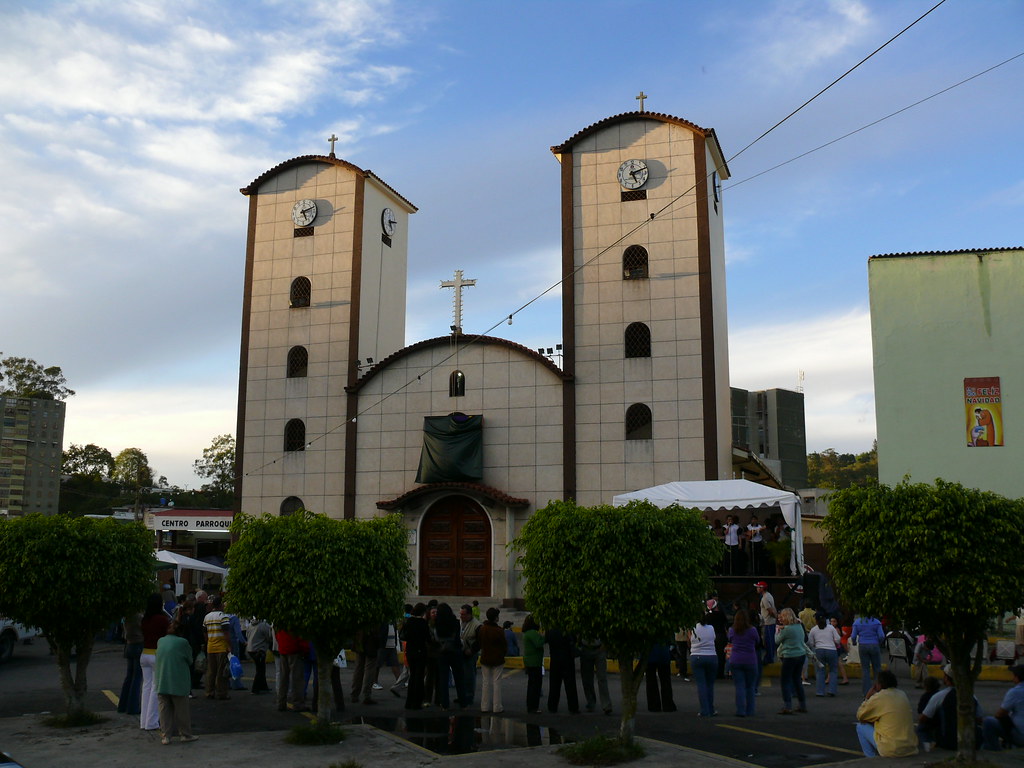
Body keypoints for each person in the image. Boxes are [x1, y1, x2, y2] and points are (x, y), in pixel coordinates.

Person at [919, 664, 983, 750]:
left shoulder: (939, 696)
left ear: (946, 677)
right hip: (970, 741)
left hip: (948, 742)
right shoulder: (971, 695)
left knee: (921, 728)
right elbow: (979, 719)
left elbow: (923, 718)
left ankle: (927, 748)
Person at [155, 618, 198, 745]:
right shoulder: (183, 642)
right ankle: (185, 734)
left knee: (164, 709)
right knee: (181, 710)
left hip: (162, 679)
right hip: (178, 680)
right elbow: (190, 660)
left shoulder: (161, 641)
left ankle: (165, 736)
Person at [856, 669, 918, 757]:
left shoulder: (879, 697)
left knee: (860, 726)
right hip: (910, 746)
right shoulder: (902, 694)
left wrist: (867, 698)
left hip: (890, 748)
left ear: (879, 684)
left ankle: (871, 759)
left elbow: (860, 715)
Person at [140, 593, 170, 731]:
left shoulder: (145, 619)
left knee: (146, 687)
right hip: (157, 654)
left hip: (145, 653)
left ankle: (144, 721)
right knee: (155, 688)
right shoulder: (162, 619)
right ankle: (151, 721)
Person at [982, 663, 1024, 750]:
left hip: (1021, 736)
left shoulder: (1015, 692)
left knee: (988, 722)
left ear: (1018, 677)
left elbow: (1000, 714)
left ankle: (993, 750)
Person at [728, 607, 760, 717]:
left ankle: (740, 710)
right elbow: (757, 641)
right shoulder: (752, 630)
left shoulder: (732, 630)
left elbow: (730, 640)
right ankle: (750, 710)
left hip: (736, 659)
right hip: (750, 660)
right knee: (750, 687)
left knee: (739, 686)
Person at [435, 603, 466, 710]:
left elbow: (436, 638)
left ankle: (444, 704)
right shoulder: (456, 622)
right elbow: (458, 637)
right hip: (455, 651)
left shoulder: (437, 623)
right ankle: (463, 703)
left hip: (443, 652)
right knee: (459, 678)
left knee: (443, 679)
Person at [776, 607, 807, 715]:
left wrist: (777, 631)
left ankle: (787, 706)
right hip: (801, 655)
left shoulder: (787, 629)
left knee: (785, 681)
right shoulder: (799, 626)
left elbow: (777, 640)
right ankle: (802, 704)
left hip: (789, 656)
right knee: (797, 680)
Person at [202, 594, 231, 700]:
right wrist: (229, 645)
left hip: (210, 646)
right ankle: (221, 692)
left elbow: (204, 632)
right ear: (220, 605)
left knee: (210, 671)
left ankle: (209, 691)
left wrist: (207, 642)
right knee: (221, 672)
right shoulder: (223, 616)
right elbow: (226, 633)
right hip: (221, 647)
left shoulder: (207, 616)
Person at [546, 626, 580, 714]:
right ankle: (573, 707)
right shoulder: (568, 630)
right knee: (570, 685)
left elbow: (547, 640)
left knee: (554, 685)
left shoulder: (551, 630)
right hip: (567, 659)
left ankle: (552, 706)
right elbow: (575, 641)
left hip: (555, 659)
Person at [690, 611, 718, 717]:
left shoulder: (693, 628)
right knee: (710, 685)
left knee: (701, 684)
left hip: (696, 656)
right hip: (711, 656)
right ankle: (711, 708)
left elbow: (690, 640)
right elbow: (713, 638)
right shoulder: (711, 628)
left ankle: (704, 710)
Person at [478, 607, 506, 713]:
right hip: (497, 659)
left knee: (485, 682)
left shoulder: (483, 629)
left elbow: (480, 642)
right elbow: (504, 645)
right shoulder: (499, 630)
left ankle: (484, 707)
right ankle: (497, 706)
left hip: (485, 658)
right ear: (496, 618)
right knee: (496, 682)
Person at [402, 603, 429, 710]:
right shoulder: (422, 623)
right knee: (419, 677)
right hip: (420, 651)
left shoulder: (409, 621)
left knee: (413, 676)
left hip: (410, 651)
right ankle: (417, 702)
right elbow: (427, 637)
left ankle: (409, 702)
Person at [117, 608, 144, 715]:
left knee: (129, 676)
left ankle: (123, 705)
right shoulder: (138, 616)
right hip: (138, 643)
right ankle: (133, 707)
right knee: (137, 677)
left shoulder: (126, 616)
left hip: (129, 644)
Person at [850, 614, 885, 697]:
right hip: (874, 644)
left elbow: (853, 636)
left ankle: (866, 692)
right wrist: (879, 643)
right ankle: (878, 690)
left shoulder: (857, 622)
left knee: (865, 669)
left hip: (862, 645)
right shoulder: (876, 622)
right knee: (877, 668)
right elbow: (881, 636)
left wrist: (854, 642)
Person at [275, 627, 307, 712]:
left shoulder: (280, 622)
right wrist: (305, 649)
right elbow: (301, 636)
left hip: (283, 648)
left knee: (283, 678)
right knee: (297, 679)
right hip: (295, 650)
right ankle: (298, 704)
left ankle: (281, 703)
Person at [808, 615, 840, 698]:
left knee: (820, 671)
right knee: (833, 670)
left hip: (819, 650)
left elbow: (810, 642)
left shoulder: (814, 629)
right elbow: (837, 639)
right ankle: (832, 690)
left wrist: (815, 645)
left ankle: (820, 691)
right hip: (831, 650)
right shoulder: (831, 628)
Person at [579, 637, 612, 715]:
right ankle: (591, 702)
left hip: (599, 648)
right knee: (587, 679)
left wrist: (604, 644)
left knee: (602, 678)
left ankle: (606, 705)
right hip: (586, 648)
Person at [459, 604, 482, 706]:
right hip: (460, 652)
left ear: (469, 614)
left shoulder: (477, 625)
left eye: (463, 614)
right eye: (460, 614)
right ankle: (462, 695)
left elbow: (479, 641)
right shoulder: (460, 622)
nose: (461, 616)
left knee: (469, 676)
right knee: (461, 676)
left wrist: (472, 650)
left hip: (470, 653)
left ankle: (469, 696)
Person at [522, 615, 545, 714]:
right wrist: (544, 636)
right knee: (535, 686)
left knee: (532, 684)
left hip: (530, 661)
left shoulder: (527, 633)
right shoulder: (532, 633)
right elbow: (539, 643)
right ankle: (533, 707)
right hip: (534, 662)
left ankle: (530, 706)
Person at [646, 641, 677, 712]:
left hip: (649, 652)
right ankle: (668, 704)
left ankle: (654, 705)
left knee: (651, 680)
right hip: (663, 652)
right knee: (665, 680)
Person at [245, 617, 273, 694]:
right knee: (260, 670)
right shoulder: (264, 625)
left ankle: (264, 686)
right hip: (259, 649)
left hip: (251, 648)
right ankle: (255, 689)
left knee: (261, 668)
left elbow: (247, 635)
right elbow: (269, 637)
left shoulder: (250, 624)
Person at [755, 581, 777, 664]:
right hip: (771, 621)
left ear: (761, 588)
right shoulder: (769, 595)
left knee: (768, 642)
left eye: (758, 587)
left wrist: (775, 616)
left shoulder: (764, 598)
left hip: (768, 622)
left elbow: (770, 610)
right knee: (770, 641)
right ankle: (769, 657)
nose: (757, 589)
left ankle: (769, 659)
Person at [829, 617, 851, 686]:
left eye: (834, 621)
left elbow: (837, 640)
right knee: (835, 664)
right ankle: (843, 678)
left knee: (837, 664)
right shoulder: (835, 629)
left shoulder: (836, 630)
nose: (832, 623)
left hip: (836, 648)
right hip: (835, 648)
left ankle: (844, 678)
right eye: (831, 621)